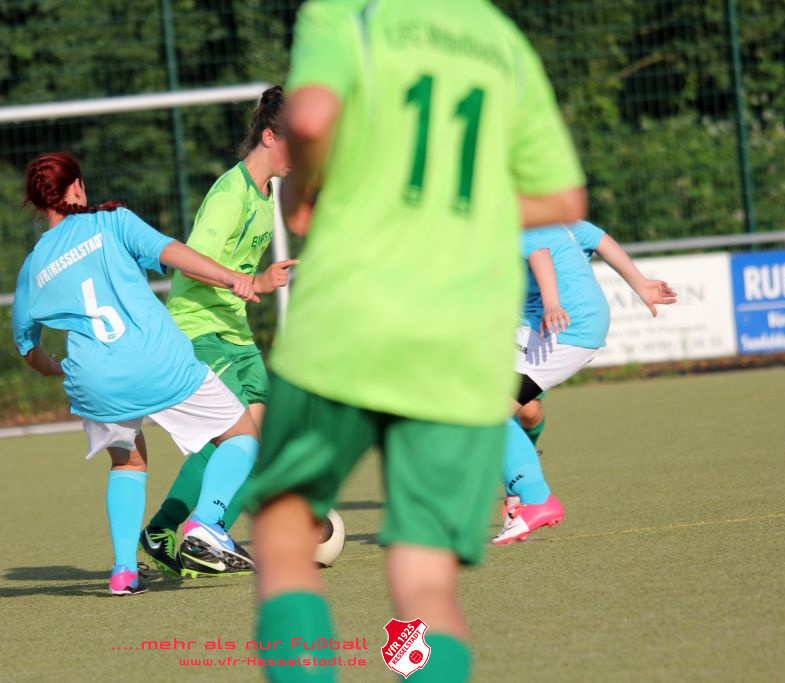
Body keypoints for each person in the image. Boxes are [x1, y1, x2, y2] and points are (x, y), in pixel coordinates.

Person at [237, 1, 588, 681]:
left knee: (283, 533)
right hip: (459, 338)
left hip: (350, 317)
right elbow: (564, 199)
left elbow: (309, 119)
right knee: (425, 581)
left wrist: (305, 191)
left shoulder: (346, 15)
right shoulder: (501, 41)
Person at [11, 151, 263, 596]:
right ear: (76, 187)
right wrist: (230, 278)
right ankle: (207, 523)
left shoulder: (33, 265)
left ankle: (124, 572)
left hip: (93, 379)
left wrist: (51, 368)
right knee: (243, 436)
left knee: (128, 461)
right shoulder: (112, 221)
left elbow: (25, 344)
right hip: (155, 361)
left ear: (38, 203)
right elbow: (174, 252)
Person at [138, 86, 297, 579]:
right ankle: (203, 528)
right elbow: (191, 261)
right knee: (236, 437)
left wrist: (259, 283)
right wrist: (241, 281)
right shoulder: (231, 192)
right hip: (200, 328)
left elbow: (240, 271)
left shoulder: (266, 195)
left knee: (251, 442)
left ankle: (176, 532)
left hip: (235, 331)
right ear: (268, 136)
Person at [494, 221, 677, 544]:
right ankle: (520, 492)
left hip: (563, 327)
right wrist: (640, 284)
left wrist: (552, 303)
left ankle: (534, 498)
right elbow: (600, 239)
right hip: (555, 323)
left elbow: (538, 251)